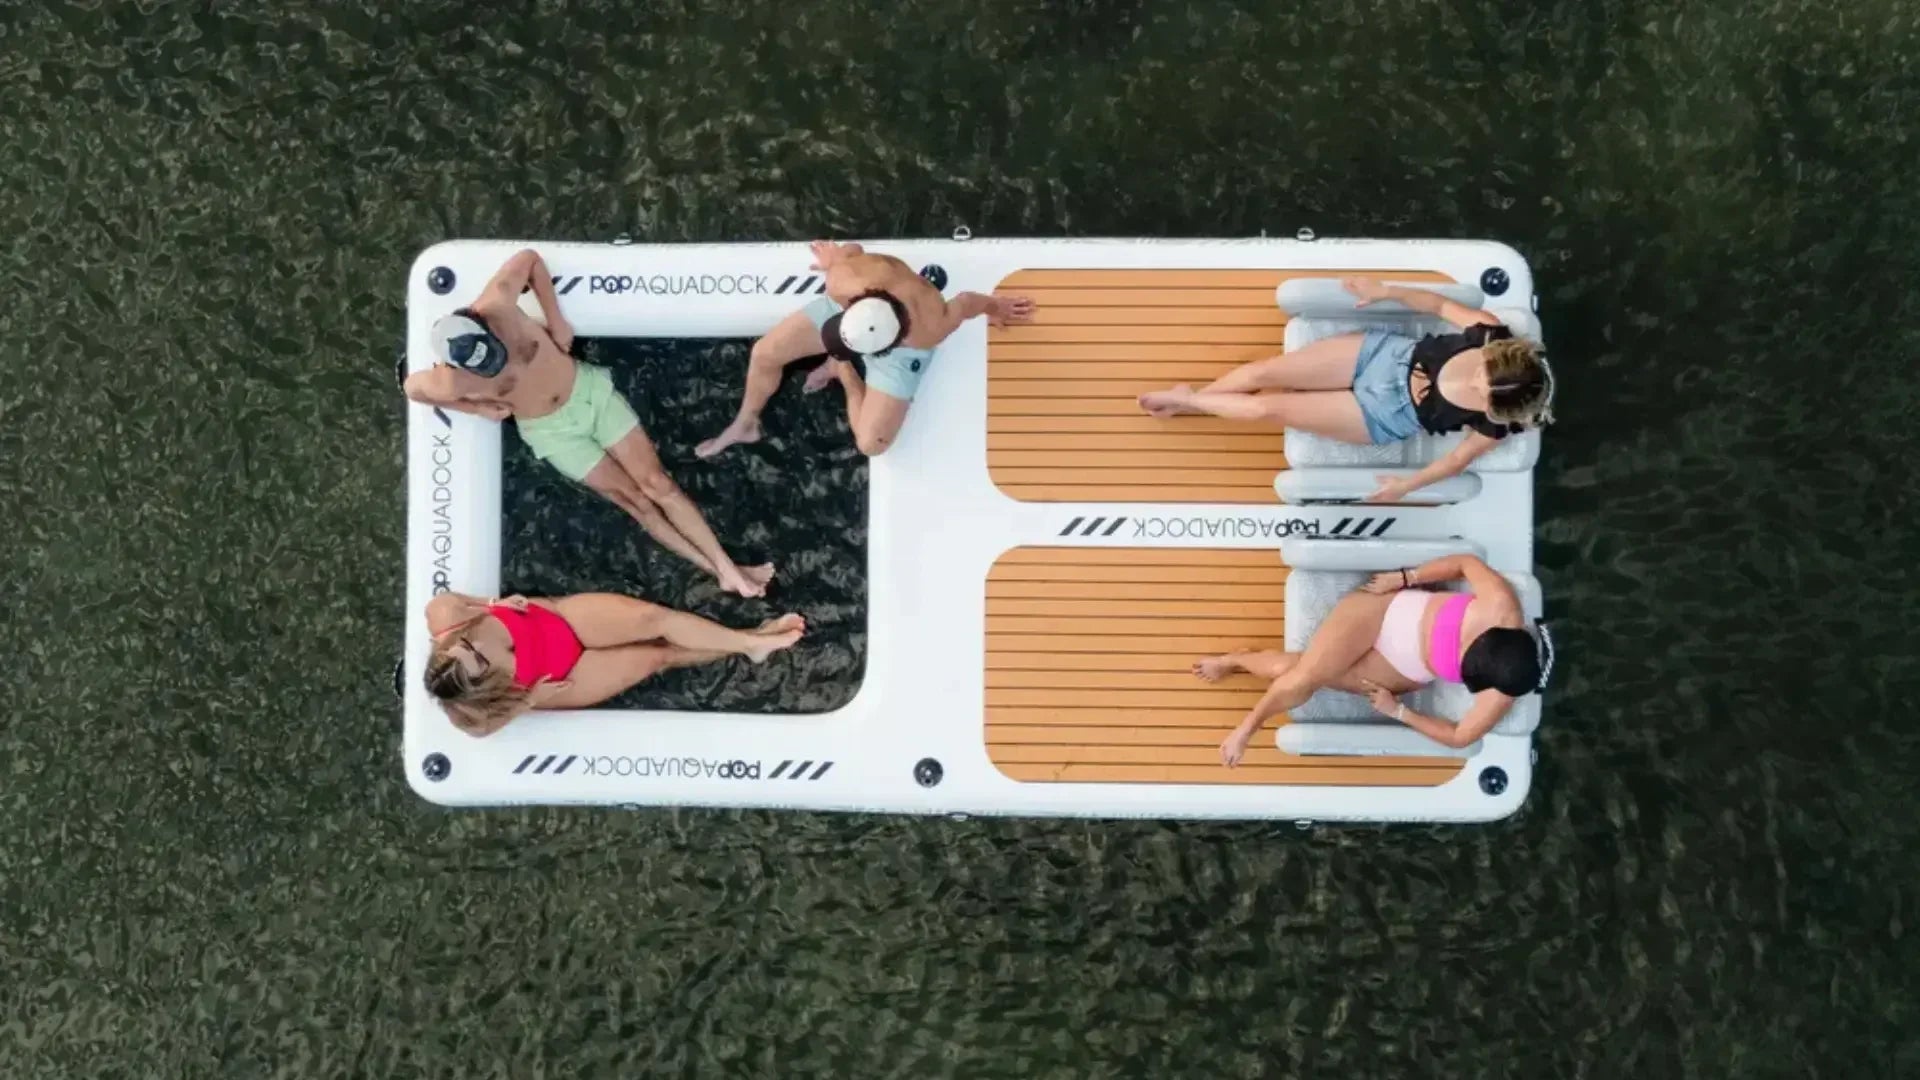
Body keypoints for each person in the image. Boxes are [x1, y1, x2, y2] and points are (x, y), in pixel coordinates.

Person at [404, 249, 774, 598]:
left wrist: (556, 320)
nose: (498, 365)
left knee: (657, 483)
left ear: (480, 323)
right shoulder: (453, 380)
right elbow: (413, 388)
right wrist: (478, 410)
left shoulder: (497, 302)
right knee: (635, 501)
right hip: (552, 432)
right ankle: (722, 571)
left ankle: (727, 564)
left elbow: (529, 259)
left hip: (587, 392)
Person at [1137, 276, 1555, 502]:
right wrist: (1386, 292)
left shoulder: (1496, 425)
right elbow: (1438, 306)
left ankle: (1188, 399)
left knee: (1268, 409)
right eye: (1483, 373)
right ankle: (1191, 401)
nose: (1475, 383)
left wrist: (1404, 487)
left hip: (1384, 416)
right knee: (1263, 373)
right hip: (1382, 357)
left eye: (1483, 393)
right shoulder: (1487, 333)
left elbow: (1456, 461)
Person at [1195, 553, 1553, 765]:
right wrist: (1405, 577)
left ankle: (1239, 661)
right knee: (1305, 677)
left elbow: (1460, 737)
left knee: (1295, 670)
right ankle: (1247, 727)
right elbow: (1465, 562)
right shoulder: (1502, 606)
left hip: (1399, 670)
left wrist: (1399, 711)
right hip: (1384, 612)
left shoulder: (1505, 685)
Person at [695, 240, 1037, 459]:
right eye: (840, 347)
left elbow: (964, 303)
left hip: (899, 354)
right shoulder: (843, 281)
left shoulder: (928, 328)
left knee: (871, 444)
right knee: (764, 353)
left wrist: (997, 307)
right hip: (855, 315)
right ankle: (745, 422)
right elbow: (852, 249)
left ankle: (842, 371)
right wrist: (833, 259)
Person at [422, 589, 806, 737]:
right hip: (565, 676)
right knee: (660, 655)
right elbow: (481, 731)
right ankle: (754, 638)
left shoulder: (449, 620)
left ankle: (751, 642)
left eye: (468, 648)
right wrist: (528, 700)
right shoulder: (468, 710)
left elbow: (444, 599)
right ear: (477, 685)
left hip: (559, 620)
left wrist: (491, 604)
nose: (478, 651)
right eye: (481, 665)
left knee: (656, 619)